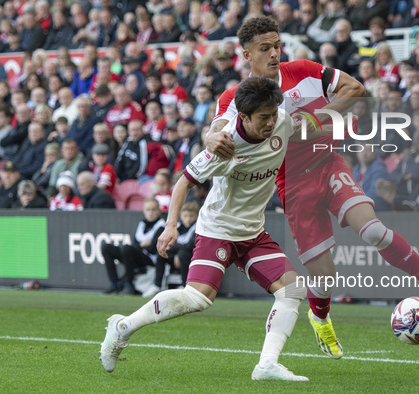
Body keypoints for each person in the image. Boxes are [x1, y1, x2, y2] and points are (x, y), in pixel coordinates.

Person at [206, 16, 419, 361]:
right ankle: (320, 317)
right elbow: (214, 129)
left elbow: (354, 89)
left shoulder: (304, 70)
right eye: (265, 48)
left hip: (327, 163)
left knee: (374, 230)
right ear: (246, 54)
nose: (275, 53)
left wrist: (317, 120)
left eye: (277, 45)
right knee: (323, 276)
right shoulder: (235, 97)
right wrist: (213, 137)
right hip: (291, 183)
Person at [100, 77, 310, 381]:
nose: (270, 122)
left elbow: (310, 129)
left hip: (253, 232)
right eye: (263, 117)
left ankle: (266, 366)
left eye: (273, 114)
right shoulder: (224, 146)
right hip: (218, 229)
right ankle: (122, 327)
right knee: (199, 298)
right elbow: (184, 181)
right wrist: (170, 225)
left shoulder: (282, 121)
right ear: (244, 117)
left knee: (293, 290)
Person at [101, 197, 166, 295]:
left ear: (159, 210)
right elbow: (135, 244)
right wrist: (143, 244)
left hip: (149, 260)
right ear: (143, 211)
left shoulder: (161, 225)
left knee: (126, 248)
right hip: (136, 255)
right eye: (148, 210)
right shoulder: (142, 223)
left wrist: (140, 246)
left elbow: (152, 249)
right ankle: (114, 283)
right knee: (106, 247)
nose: (151, 212)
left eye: (153, 209)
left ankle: (129, 284)